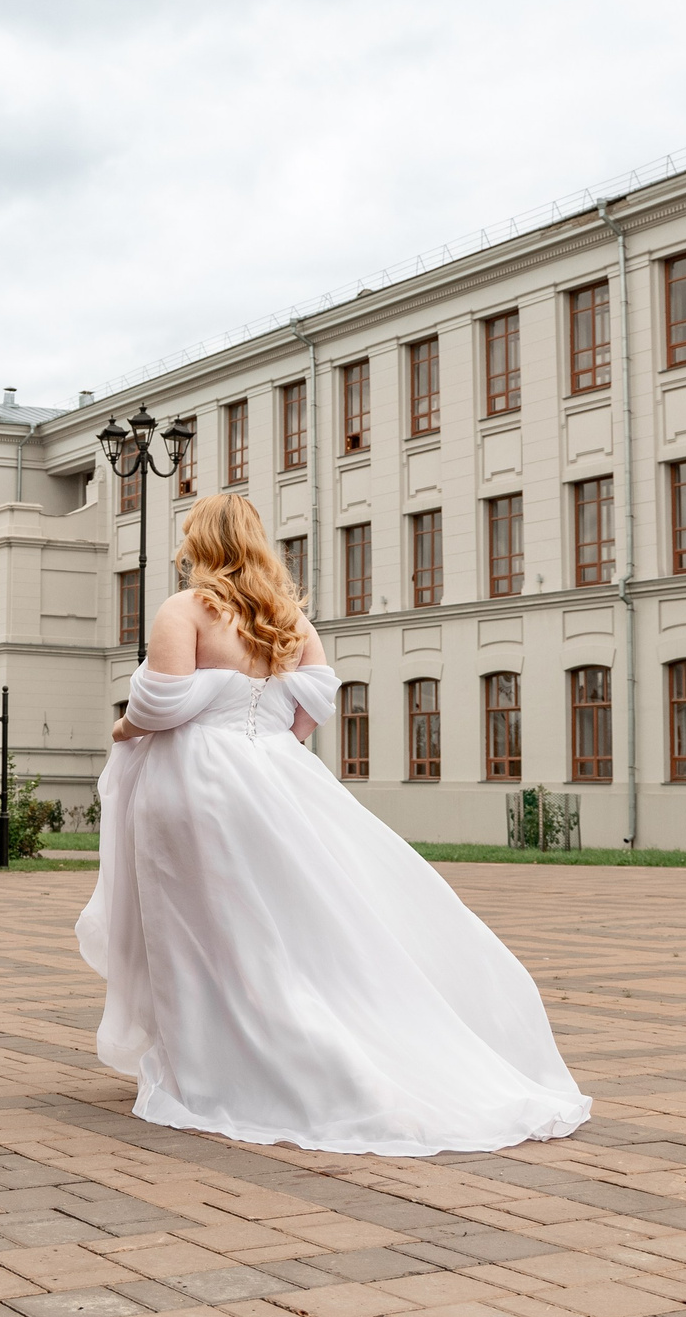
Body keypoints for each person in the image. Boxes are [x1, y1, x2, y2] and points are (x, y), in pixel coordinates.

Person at [77, 493, 590, 1157]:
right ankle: (298, 1049)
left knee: (197, 929)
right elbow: (309, 708)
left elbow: (158, 705)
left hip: (194, 785)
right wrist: (259, 736)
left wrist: (122, 729)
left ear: (198, 545)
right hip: (274, 779)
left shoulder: (186, 610)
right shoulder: (288, 618)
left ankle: (210, 1067)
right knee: (280, 927)